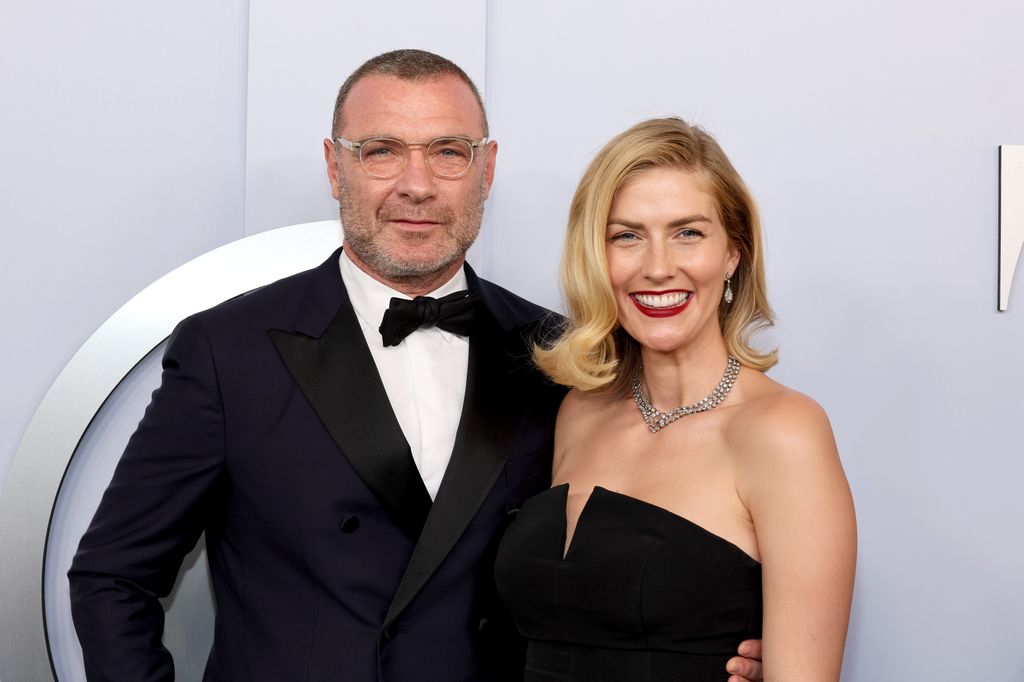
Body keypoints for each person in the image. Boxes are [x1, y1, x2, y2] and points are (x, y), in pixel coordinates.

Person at [68, 51, 764, 681]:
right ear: (334, 166)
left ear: (486, 168)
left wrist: (726, 653)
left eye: (448, 152)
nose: (418, 184)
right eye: (381, 151)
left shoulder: (563, 357)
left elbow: (642, 555)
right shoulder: (229, 350)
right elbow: (111, 577)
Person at [495, 118, 857, 681]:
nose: (658, 266)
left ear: (733, 254)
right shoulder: (579, 411)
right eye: (627, 236)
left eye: (688, 233)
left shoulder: (784, 431)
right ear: (596, 255)